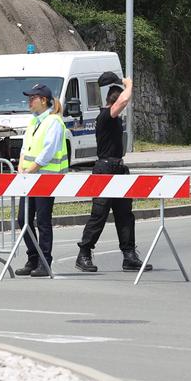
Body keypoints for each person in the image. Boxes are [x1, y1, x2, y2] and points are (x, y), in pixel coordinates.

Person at [76, 73, 147, 274]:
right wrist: (129, 84)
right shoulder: (105, 116)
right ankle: (84, 254)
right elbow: (124, 99)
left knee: (125, 215)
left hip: (118, 168)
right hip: (104, 169)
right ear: (113, 102)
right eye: (121, 102)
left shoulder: (114, 118)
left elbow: (122, 101)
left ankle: (129, 256)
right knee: (99, 214)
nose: (124, 105)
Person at [13, 83, 69, 278]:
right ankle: (33, 258)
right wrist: (21, 166)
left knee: (43, 221)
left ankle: (45, 262)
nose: (29, 101)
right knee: (23, 219)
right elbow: (25, 147)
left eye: (32, 98)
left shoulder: (53, 122)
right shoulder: (33, 121)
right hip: (29, 177)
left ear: (43, 100)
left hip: (46, 177)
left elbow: (48, 151)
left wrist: (32, 168)